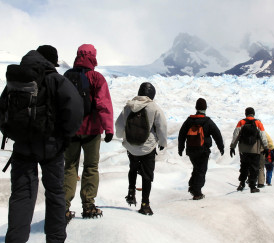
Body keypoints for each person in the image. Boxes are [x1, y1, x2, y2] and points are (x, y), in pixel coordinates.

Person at [2, 45, 84, 243]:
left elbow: (2, 111)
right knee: (55, 192)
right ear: (51, 62)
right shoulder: (55, 80)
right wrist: (64, 136)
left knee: (22, 196)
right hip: (51, 147)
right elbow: (75, 110)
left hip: (23, 148)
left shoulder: (16, 79)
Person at [63, 44, 114, 220]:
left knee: (70, 166)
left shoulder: (66, 76)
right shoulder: (97, 78)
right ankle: (88, 205)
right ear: (93, 56)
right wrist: (108, 128)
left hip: (70, 130)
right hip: (92, 131)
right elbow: (103, 104)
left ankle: (63, 207)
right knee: (91, 167)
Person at [115, 82, 167, 216]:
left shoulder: (129, 106)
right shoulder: (154, 107)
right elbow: (161, 126)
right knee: (147, 175)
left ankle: (131, 192)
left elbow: (119, 124)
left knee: (132, 168)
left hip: (131, 146)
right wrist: (162, 142)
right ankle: (145, 204)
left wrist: (122, 136)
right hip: (147, 148)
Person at [178, 98, 224, 200]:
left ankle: (192, 186)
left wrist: (180, 148)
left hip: (191, 150)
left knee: (197, 168)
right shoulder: (207, 121)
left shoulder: (189, 120)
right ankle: (197, 192)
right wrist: (221, 147)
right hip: (203, 150)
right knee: (201, 170)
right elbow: (217, 134)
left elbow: (182, 134)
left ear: (196, 108)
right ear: (205, 108)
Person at [230, 106, 269, 193]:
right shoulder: (258, 123)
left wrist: (232, 147)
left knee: (244, 166)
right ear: (253, 114)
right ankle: (252, 187)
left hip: (243, 150)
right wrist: (266, 147)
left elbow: (235, 135)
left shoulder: (241, 122)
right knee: (254, 168)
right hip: (255, 150)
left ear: (245, 114)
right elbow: (263, 136)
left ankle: (242, 183)